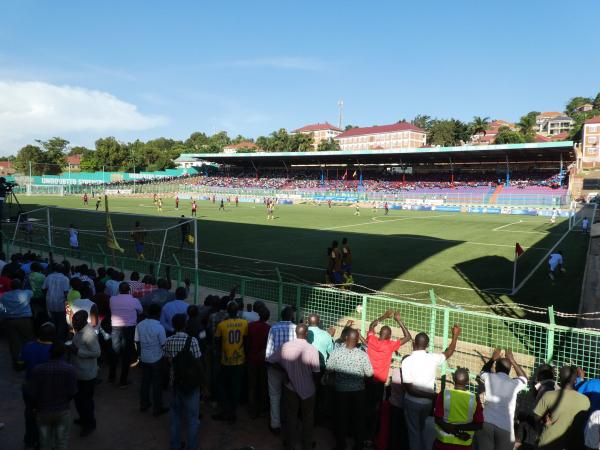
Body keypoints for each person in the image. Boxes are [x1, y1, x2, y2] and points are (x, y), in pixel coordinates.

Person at [402, 325, 462, 450]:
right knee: (423, 431)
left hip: (412, 403)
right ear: (427, 345)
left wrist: (432, 395)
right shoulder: (433, 358)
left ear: (414, 343)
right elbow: (449, 352)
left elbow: (410, 389)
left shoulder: (407, 361)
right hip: (427, 404)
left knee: (414, 434)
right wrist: (455, 335)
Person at [269, 324, 320, 450]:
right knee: (308, 418)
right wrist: (315, 387)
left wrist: (285, 372)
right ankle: (307, 444)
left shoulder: (285, 346)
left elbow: (270, 361)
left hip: (290, 388)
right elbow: (316, 372)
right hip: (308, 390)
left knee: (290, 416)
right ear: (306, 334)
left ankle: (290, 444)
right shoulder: (312, 349)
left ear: (296, 333)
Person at [365, 310, 412, 443]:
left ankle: (361, 435)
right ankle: (370, 438)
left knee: (365, 405)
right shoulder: (390, 345)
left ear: (380, 334)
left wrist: (384, 317)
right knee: (375, 409)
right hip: (378, 383)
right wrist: (399, 320)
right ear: (390, 336)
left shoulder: (371, 339)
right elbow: (408, 337)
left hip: (367, 379)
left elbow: (371, 326)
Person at [326, 328, 374, 450]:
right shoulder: (363, 355)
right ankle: (358, 445)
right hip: (358, 392)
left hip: (340, 391)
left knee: (341, 419)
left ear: (346, 338)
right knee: (358, 419)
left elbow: (329, 369)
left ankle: (341, 445)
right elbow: (369, 374)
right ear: (357, 340)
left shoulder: (336, 353)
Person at [164, 314, 203, 450]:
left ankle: (175, 446)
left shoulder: (168, 340)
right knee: (193, 419)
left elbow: (167, 360)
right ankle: (192, 447)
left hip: (174, 382)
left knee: (175, 418)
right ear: (185, 325)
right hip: (190, 384)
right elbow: (198, 362)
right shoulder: (192, 341)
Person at [477, 348, 528, 450]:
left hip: (487, 423)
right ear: (509, 370)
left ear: (496, 368)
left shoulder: (489, 377)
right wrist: (512, 361)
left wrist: (492, 359)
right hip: (505, 428)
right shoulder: (514, 383)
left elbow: (482, 372)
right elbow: (524, 379)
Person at [30, 341, 78, 450]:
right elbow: (73, 392)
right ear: (63, 354)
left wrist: (35, 407)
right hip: (62, 410)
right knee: (61, 442)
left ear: (50, 353)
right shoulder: (69, 369)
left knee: (44, 442)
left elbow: (33, 392)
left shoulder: (38, 369)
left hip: (43, 410)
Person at [534, 365, 591, 450]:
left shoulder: (549, 395)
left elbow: (536, 417)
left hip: (548, 444)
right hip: (573, 445)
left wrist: (546, 416)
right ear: (575, 381)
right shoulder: (586, 400)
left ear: (560, 379)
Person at [20, 322, 56, 449]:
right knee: (46, 416)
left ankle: (30, 439)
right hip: (47, 389)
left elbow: (21, 363)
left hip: (30, 387)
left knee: (30, 413)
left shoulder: (28, 346)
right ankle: (43, 442)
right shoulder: (55, 350)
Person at [212, 301, 248, 422]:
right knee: (236, 386)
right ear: (237, 311)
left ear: (227, 311)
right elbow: (246, 340)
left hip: (226, 360)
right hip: (240, 359)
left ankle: (226, 411)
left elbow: (217, 343)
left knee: (223, 385)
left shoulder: (222, 325)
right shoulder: (244, 323)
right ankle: (232, 411)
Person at [433, 368, 483, 450]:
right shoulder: (474, 399)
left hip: (442, 444)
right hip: (464, 444)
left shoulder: (444, 394)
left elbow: (437, 419)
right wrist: (458, 431)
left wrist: (454, 430)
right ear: (467, 382)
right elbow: (479, 424)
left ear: (453, 380)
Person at [265, 306, 297, 433]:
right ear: (292, 317)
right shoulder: (297, 329)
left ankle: (275, 424)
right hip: (291, 369)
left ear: (281, 316)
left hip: (275, 367)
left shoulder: (274, 328)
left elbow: (269, 354)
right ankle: (289, 423)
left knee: (274, 396)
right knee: (290, 398)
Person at [71, 310, 101, 437]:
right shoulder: (79, 330)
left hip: (87, 374)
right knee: (78, 399)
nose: (74, 324)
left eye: (76, 321)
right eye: (73, 321)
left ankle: (89, 424)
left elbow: (97, 353)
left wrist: (77, 351)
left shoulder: (89, 334)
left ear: (84, 321)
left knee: (86, 401)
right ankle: (83, 419)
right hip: (78, 371)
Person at [135, 303, 168, 416]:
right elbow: (164, 344)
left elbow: (137, 342)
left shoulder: (140, 325)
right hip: (156, 359)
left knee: (145, 382)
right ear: (158, 314)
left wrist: (140, 356)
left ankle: (144, 404)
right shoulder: (159, 327)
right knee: (156, 384)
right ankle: (157, 408)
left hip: (145, 358)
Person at [109, 282, 143, 387]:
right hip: (129, 328)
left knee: (115, 352)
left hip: (115, 327)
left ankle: (112, 376)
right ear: (129, 290)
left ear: (119, 290)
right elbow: (140, 311)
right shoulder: (134, 300)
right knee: (126, 354)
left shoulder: (112, 299)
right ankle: (123, 380)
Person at [0, 278, 34, 370]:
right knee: (27, 340)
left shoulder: (4, 296)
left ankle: (16, 363)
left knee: (14, 342)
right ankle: (28, 360)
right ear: (21, 286)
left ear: (11, 286)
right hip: (24, 320)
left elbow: (2, 309)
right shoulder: (27, 293)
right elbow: (32, 292)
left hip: (10, 320)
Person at [247, 307, 271, 418]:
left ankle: (252, 409)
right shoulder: (269, 328)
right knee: (263, 385)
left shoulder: (251, 326)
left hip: (252, 359)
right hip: (263, 361)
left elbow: (247, 342)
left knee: (252, 385)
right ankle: (262, 408)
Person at [42, 264, 70, 340]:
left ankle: (52, 338)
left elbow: (44, 289)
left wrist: (48, 297)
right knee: (61, 323)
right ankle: (58, 340)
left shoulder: (49, 277)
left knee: (52, 321)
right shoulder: (65, 279)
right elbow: (66, 293)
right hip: (61, 304)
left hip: (50, 304)